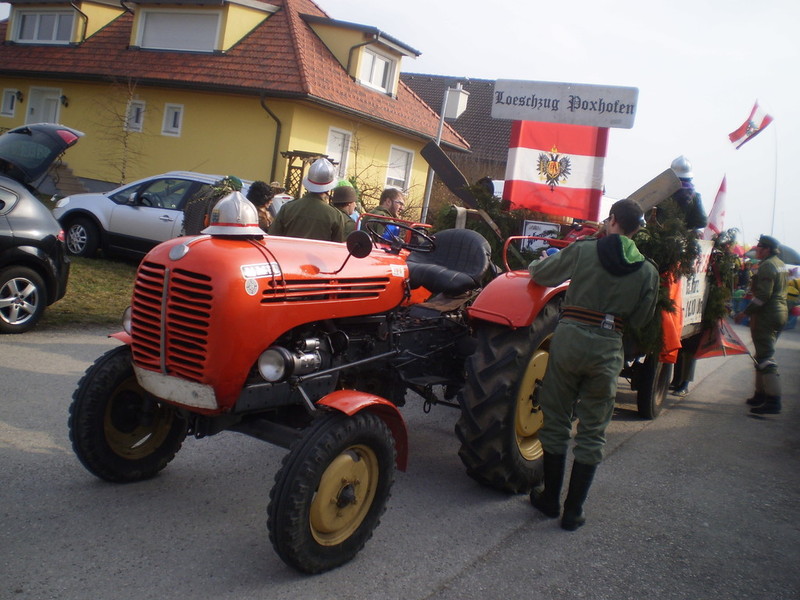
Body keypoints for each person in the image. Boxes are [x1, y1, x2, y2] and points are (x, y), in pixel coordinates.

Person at [528, 199, 659, 531]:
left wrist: (536, 262)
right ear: (637, 229)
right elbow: (641, 320)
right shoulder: (648, 271)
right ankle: (573, 512)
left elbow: (543, 274)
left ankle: (550, 499)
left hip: (570, 341)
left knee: (556, 419)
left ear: (612, 220)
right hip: (608, 347)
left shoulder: (585, 250)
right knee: (593, 430)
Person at [734, 235, 788, 414]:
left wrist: (745, 312)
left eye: (759, 247)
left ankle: (773, 400)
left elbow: (763, 295)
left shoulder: (767, 266)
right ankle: (760, 394)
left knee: (765, 357)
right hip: (779, 312)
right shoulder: (780, 264)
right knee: (762, 355)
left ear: (767, 249)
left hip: (767, 314)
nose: (756, 249)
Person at [268, 158, 350, 242]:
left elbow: (272, 238)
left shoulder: (287, 208)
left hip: (287, 250)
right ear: (329, 188)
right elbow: (337, 246)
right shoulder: (335, 216)